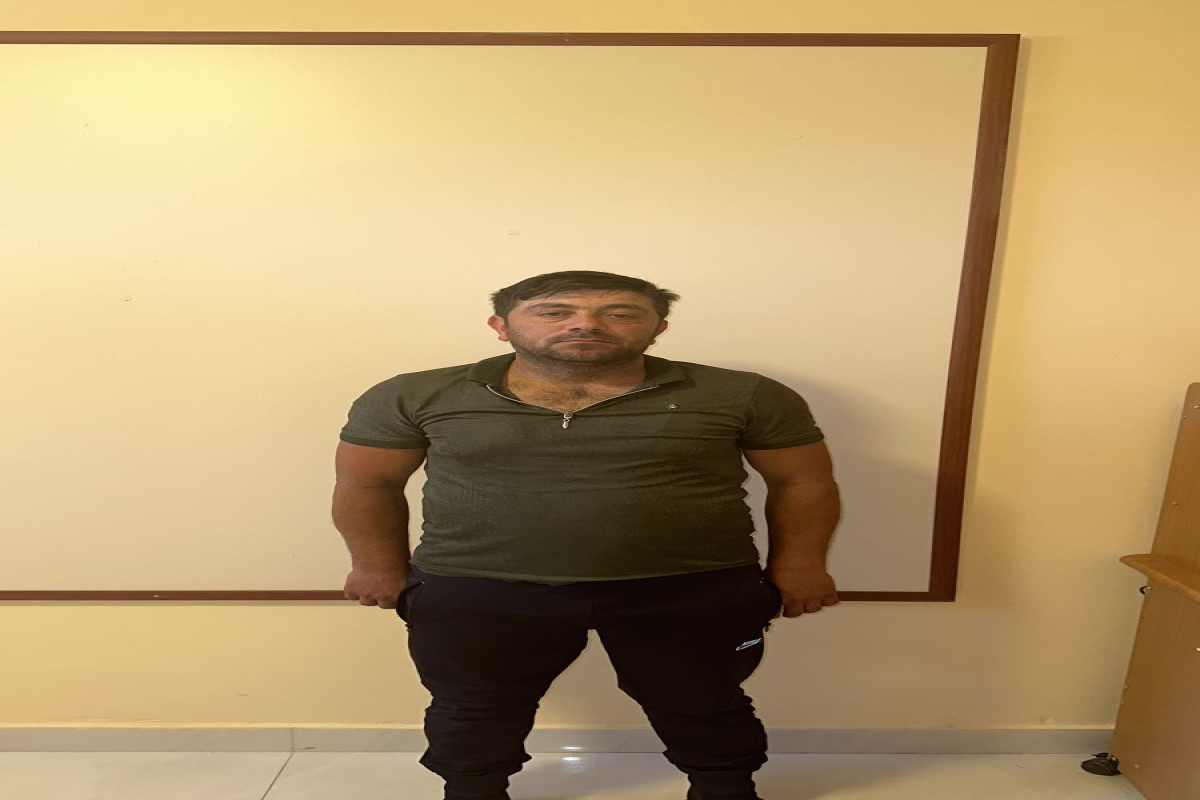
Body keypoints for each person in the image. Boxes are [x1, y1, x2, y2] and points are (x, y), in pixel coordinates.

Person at [333, 270, 841, 800]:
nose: (585, 324)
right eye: (554, 312)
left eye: (620, 313)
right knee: (474, 705)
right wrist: (374, 565)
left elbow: (802, 482)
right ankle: (472, 790)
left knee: (705, 699)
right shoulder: (413, 393)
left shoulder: (744, 394)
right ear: (500, 326)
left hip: (692, 585)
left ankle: (725, 788)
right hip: (477, 584)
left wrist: (801, 566)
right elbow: (368, 483)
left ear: (659, 327)